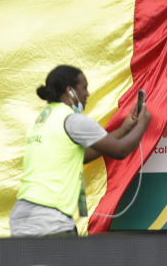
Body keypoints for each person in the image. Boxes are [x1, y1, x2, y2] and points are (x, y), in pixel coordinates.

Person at [11, 65, 152, 237]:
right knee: (65, 264)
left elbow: (82, 156)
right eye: (84, 88)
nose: (87, 94)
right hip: (50, 220)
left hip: (23, 217)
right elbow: (120, 150)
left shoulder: (43, 118)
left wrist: (124, 129)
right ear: (70, 91)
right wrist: (143, 123)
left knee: (35, 265)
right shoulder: (73, 120)